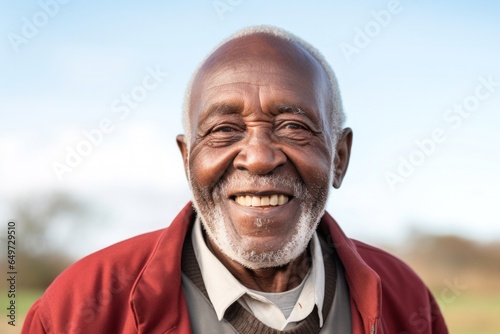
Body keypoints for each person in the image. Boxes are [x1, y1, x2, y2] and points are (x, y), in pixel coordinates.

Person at [22, 26, 448, 334]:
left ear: (339, 158)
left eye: (294, 126)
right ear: (188, 159)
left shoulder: (406, 301)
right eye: (224, 129)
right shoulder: (77, 311)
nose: (259, 158)